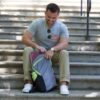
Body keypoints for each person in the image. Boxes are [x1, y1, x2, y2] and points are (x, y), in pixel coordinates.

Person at [22, 3, 70, 95]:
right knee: (27, 49)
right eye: (48, 17)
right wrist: (36, 46)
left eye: (54, 18)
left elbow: (65, 43)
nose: (51, 20)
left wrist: (53, 49)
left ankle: (63, 84)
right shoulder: (36, 23)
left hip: (53, 55)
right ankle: (28, 83)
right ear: (45, 13)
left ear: (58, 16)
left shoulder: (62, 26)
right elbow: (25, 38)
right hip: (38, 55)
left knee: (64, 52)